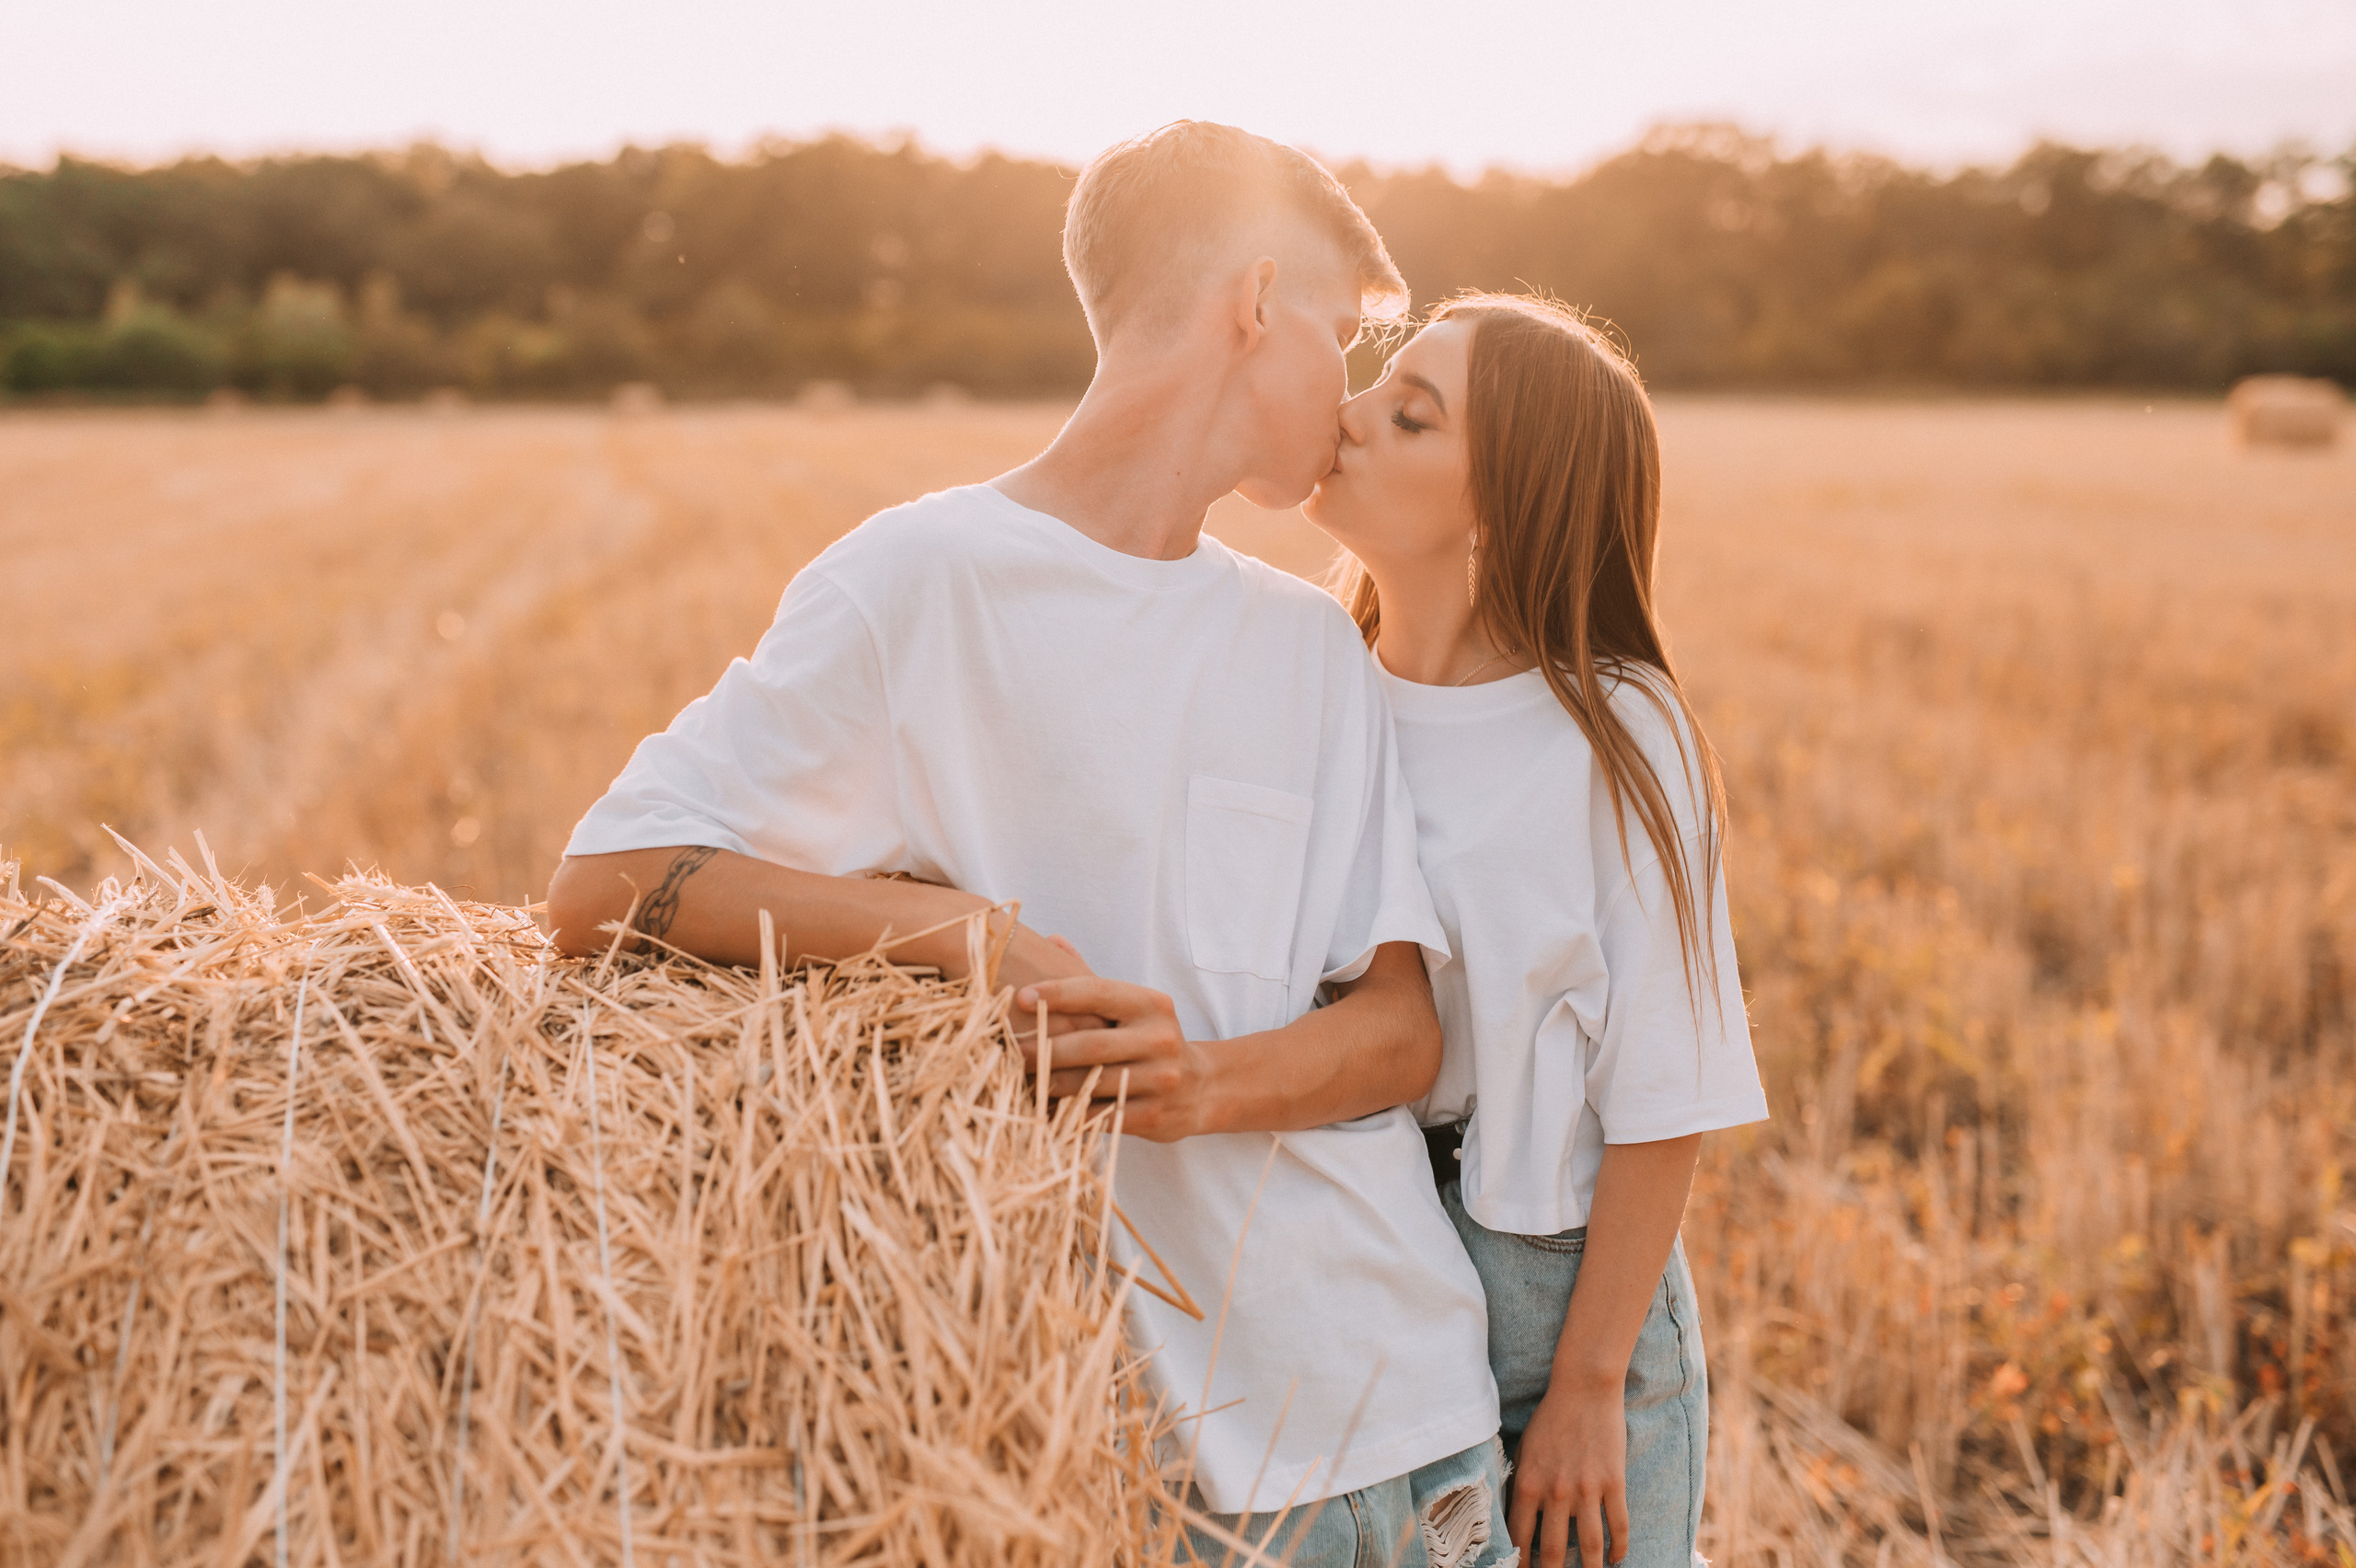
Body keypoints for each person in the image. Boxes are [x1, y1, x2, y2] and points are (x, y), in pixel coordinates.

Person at [547, 124, 1515, 1567]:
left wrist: (1198, 1082)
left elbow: (1400, 1029)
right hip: (1169, 1478)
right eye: (1341, 334)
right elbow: (606, 884)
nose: (1354, 394)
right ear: (1254, 301)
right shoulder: (918, 585)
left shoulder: (1310, 636)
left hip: (1416, 1428)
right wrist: (973, 943)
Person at [1301, 294, 1771, 1568]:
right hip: (1358, 1263)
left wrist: (1590, 1386)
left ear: (1498, 502)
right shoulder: (1311, 687)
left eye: (1408, 416)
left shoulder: (1616, 732)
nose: (1345, 417)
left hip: (1555, 1291)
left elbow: (1664, 1091)